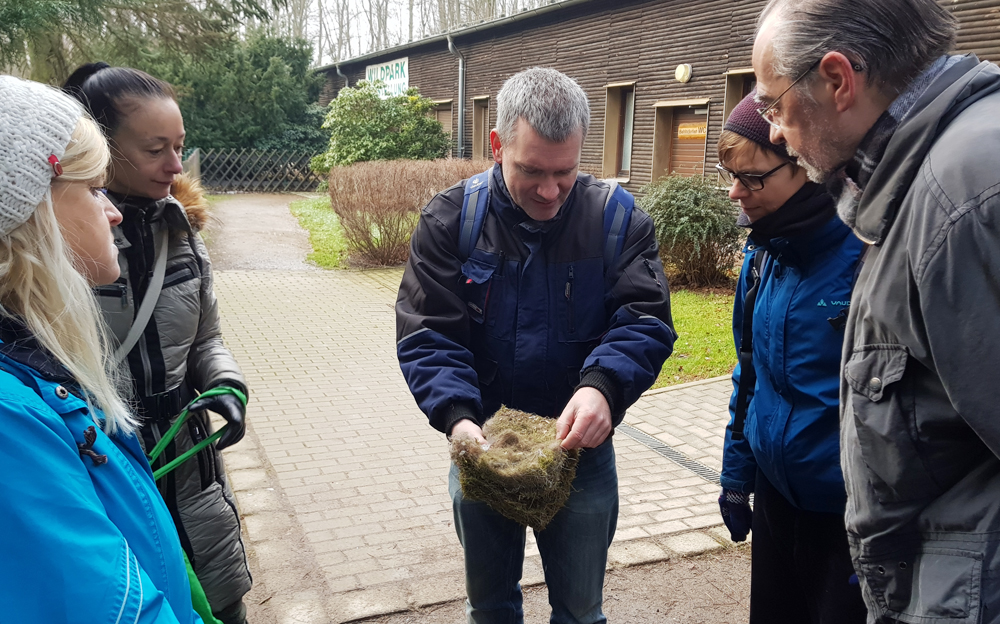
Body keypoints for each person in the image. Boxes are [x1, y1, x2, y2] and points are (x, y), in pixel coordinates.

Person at [395, 67, 676, 624]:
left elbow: (643, 318)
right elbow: (429, 332)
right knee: (491, 608)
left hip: (581, 451)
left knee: (580, 611)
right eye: (531, 171)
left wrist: (604, 388)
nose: (549, 191)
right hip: (482, 445)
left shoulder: (617, 220)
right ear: (497, 145)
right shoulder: (451, 220)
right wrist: (457, 416)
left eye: (564, 172)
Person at [752, 0, 1000, 619]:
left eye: (774, 106)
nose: (775, 133)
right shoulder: (913, 180)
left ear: (837, 81)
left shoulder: (963, 197)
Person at [0, 75, 202, 622]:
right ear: (28, 215)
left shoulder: (33, 377)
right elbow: (111, 605)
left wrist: (226, 382)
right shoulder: (12, 417)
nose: (110, 210)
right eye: (93, 188)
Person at [63, 63, 252, 624]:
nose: (176, 165)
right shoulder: (59, 247)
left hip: (190, 467)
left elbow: (207, 337)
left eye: (180, 146)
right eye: (154, 150)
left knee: (223, 607)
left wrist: (225, 384)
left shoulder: (183, 231)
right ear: (101, 147)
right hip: (104, 460)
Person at [716, 92, 867, 623]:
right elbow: (748, 373)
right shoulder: (762, 255)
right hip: (776, 496)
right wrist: (737, 475)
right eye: (730, 175)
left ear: (805, 165)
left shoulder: (869, 254)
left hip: (849, 517)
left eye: (753, 178)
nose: (737, 193)